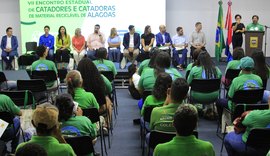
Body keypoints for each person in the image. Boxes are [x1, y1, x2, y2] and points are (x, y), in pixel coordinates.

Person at [216, 56, 263, 121]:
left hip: (237, 108)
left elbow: (230, 96)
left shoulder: (236, 80)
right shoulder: (259, 79)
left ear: (241, 67)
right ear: (253, 67)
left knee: (219, 101)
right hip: (254, 106)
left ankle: (222, 123)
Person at [77, 58, 112, 122]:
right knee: (108, 101)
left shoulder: (76, 83)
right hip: (96, 112)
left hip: (78, 113)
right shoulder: (100, 79)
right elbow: (110, 89)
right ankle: (106, 125)